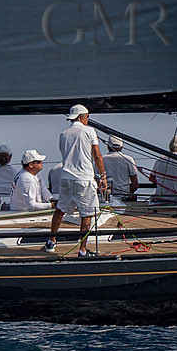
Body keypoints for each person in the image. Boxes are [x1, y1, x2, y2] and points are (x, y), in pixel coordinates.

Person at [46, 105, 106, 256]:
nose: (88, 119)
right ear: (81, 117)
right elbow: (97, 155)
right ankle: (82, 250)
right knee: (86, 215)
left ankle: (52, 240)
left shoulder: (63, 134)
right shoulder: (89, 131)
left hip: (66, 177)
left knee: (60, 209)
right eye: (87, 116)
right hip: (84, 179)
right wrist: (103, 176)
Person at [102, 135, 140, 202]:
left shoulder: (101, 159)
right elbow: (135, 184)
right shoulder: (128, 159)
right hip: (124, 197)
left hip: (105, 197)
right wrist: (128, 192)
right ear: (122, 147)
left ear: (108, 146)